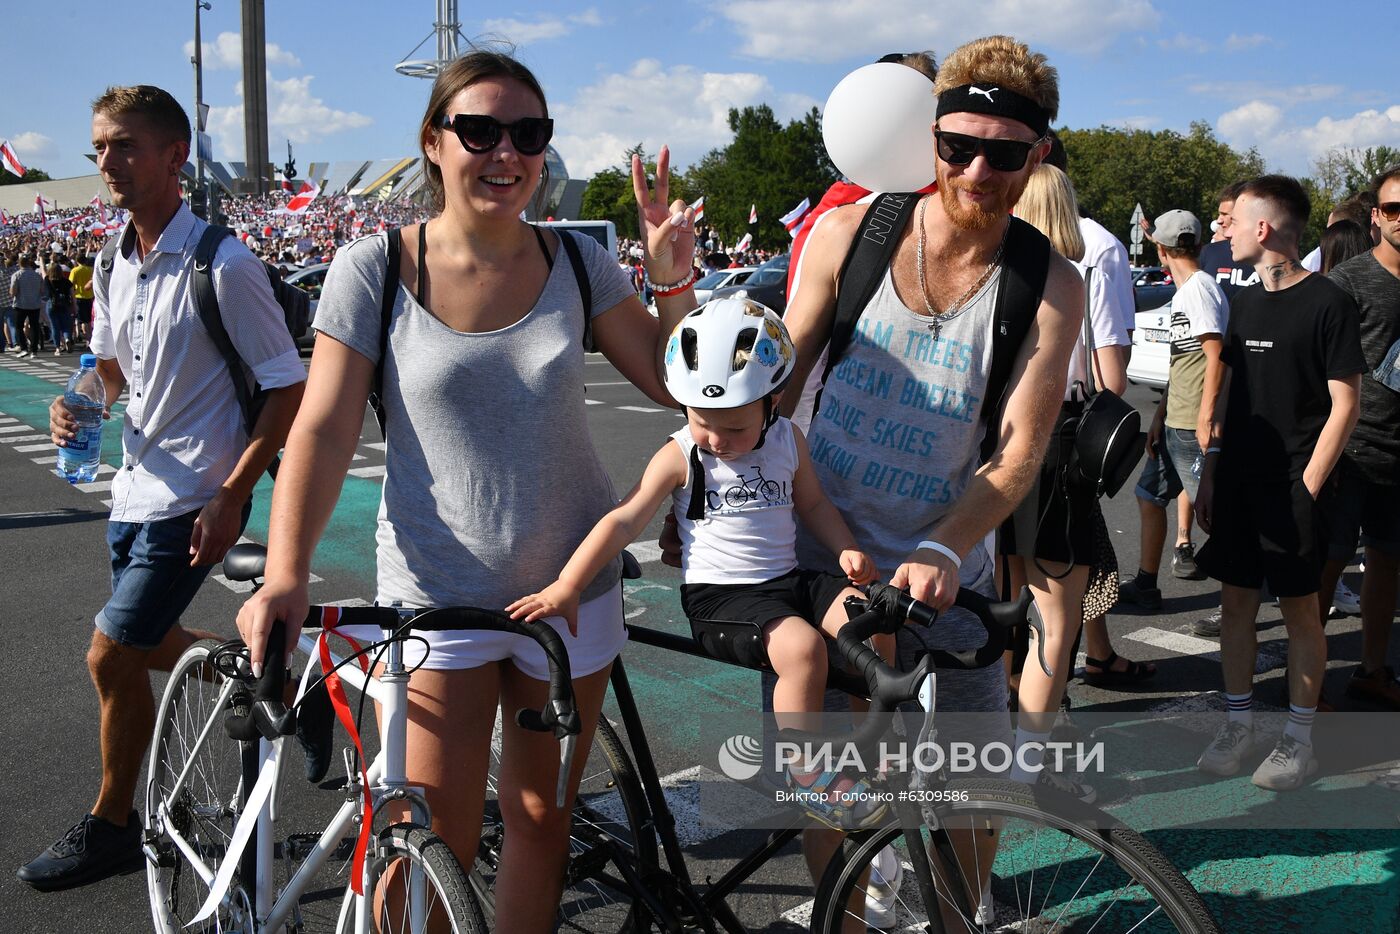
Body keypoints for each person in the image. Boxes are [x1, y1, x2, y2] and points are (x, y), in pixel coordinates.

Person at [234, 50, 697, 932]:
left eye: (528, 135)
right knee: (429, 833)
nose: (505, 153)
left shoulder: (574, 262)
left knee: (539, 820)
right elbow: (325, 430)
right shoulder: (375, 266)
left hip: (569, 591)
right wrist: (285, 574)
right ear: (433, 142)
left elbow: (677, 385)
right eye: (479, 130)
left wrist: (671, 275)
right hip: (436, 593)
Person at [779, 34, 1084, 927]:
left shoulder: (1047, 284)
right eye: (959, 147)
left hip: (951, 568)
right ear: (932, 140)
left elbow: (1020, 450)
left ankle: (955, 917)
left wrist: (943, 544)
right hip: (823, 557)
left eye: (1003, 153)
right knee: (829, 789)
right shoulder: (853, 232)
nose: (978, 171)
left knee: (971, 799)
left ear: (1037, 157)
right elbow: (776, 384)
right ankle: (836, 909)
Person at [19, 84, 306, 891]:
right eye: (100, 147)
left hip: (194, 496)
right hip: (134, 489)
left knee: (111, 656)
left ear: (177, 156)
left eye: (125, 146)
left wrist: (232, 492)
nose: (107, 161)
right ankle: (294, 687)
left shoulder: (227, 263)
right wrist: (80, 402)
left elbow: (287, 387)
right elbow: (111, 369)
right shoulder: (114, 256)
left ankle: (114, 825)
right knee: (149, 648)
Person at [510, 298, 890, 825]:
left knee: (870, 620)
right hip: (722, 599)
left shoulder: (788, 440)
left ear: (772, 402)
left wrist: (845, 546)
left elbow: (815, 505)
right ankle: (806, 771)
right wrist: (568, 584)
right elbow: (624, 519)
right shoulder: (683, 452)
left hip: (786, 580)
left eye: (734, 429)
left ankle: (873, 751)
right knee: (803, 651)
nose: (717, 440)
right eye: (701, 421)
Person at [1194, 175, 1364, 790]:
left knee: (1300, 615)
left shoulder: (1328, 302)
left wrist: (1308, 488)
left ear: (1262, 229)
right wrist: (1210, 467)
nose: (1224, 230)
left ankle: (1298, 740)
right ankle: (1238, 724)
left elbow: (1346, 403)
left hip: (1294, 485)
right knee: (1235, 603)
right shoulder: (1239, 302)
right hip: (1238, 479)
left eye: (1232, 220)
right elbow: (1233, 391)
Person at [998, 164, 1130, 800]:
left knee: (997, 608)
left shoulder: (999, 274)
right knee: (1055, 619)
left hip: (991, 447)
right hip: (1056, 445)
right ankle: (1029, 757)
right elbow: (1112, 379)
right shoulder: (1072, 278)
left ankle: (998, 743)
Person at [1317, 166, 1400, 710]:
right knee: (1326, 568)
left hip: (1399, 459)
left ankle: (1372, 670)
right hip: (1351, 450)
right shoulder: (1350, 281)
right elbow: (1315, 363)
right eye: (1395, 210)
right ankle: (1305, 684)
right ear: (1376, 216)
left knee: (1387, 567)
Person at [1118, 210, 1228, 610]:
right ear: (1197, 245)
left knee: (1215, 515)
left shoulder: (1199, 290)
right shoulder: (1189, 291)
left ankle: (1234, 603)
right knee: (1149, 496)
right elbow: (1183, 361)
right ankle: (1147, 584)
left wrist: (1205, 418)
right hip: (1175, 421)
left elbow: (1217, 356)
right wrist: (1160, 415)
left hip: (1192, 426)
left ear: (1161, 251)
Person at [9, 254, 44, 357]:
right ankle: (34, 351)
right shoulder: (37, 275)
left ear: (19, 263)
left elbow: (13, 292)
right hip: (34, 304)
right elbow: (42, 291)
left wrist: (12, 292)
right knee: (34, 326)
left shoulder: (16, 275)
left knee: (19, 326)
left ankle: (24, 348)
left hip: (21, 304)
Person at [45, 262, 75, 354]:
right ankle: (67, 339)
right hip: (64, 304)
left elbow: (43, 271)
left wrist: (41, 258)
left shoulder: (47, 280)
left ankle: (57, 348)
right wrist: (74, 306)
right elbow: (72, 294)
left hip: (52, 304)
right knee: (66, 326)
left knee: (54, 327)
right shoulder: (66, 281)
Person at [70, 253, 95, 345]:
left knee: (82, 320)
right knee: (89, 319)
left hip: (79, 296)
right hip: (90, 296)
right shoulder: (91, 270)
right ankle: (90, 338)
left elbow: (71, 284)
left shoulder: (75, 270)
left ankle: (87, 339)